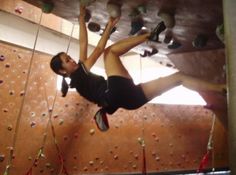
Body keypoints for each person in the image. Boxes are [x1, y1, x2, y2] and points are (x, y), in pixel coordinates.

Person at [50, 5, 225, 132]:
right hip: (113, 93)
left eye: (69, 57)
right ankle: (150, 35)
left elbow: (82, 43)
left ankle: (222, 89)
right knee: (109, 53)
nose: (71, 60)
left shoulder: (79, 77)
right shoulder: (79, 75)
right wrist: (109, 26)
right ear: (63, 71)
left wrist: (81, 20)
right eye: (67, 60)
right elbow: (97, 50)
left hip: (128, 101)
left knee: (178, 77)